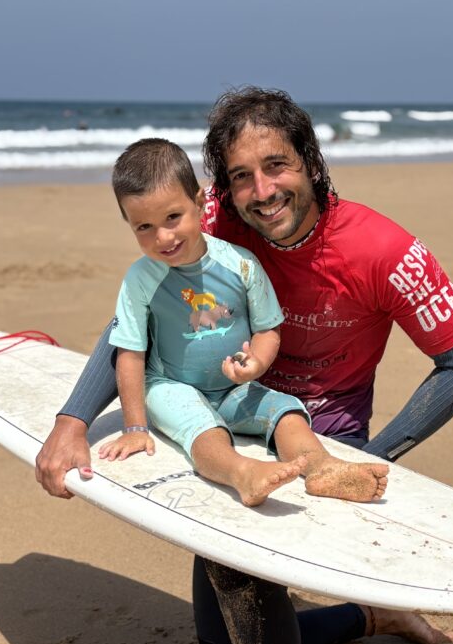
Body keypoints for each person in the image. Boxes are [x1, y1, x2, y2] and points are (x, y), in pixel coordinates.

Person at [36, 87, 453, 644]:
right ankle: (370, 615)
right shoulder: (213, 221)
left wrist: (375, 455)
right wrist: (73, 420)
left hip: (318, 434)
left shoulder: (383, 249)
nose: (262, 191)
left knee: (240, 575)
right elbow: (136, 320)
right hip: (221, 407)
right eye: (241, 176)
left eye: (276, 166)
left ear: (309, 161)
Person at [99, 138, 389, 509]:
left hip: (235, 387)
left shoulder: (241, 264)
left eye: (173, 217)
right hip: (172, 386)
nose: (163, 237)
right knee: (203, 429)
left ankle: (322, 468)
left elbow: (268, 328)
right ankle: (242, 473)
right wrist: (136, 427)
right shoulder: (141, 279)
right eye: (144, 227)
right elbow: (131, 352)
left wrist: (257, 365)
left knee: (285, 411)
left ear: (200, 203)